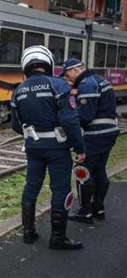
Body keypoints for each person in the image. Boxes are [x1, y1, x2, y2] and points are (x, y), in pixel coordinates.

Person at [11, 46, 86, 250]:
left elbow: (16, 125)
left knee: (31, 187)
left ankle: (28, 233)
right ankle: (58, 238)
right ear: (48, 63)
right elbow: (70, 120)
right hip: (57, 148)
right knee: (60, 189)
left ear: (26, 65)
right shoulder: (59, 85)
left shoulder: (19, 90)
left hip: (33, 148)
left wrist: (33, 136)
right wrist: (79, 148)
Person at [61, 58, 119, 223]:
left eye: (67, 74)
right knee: (99, 169)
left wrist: (67, 120)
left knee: (82, 169)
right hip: (109, 132)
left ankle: (84, 211)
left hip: (96, 134)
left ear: (75, 70)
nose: (67, 78)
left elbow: (85, 116)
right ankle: (98, 208)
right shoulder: (100, 80)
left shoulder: (86, 84)